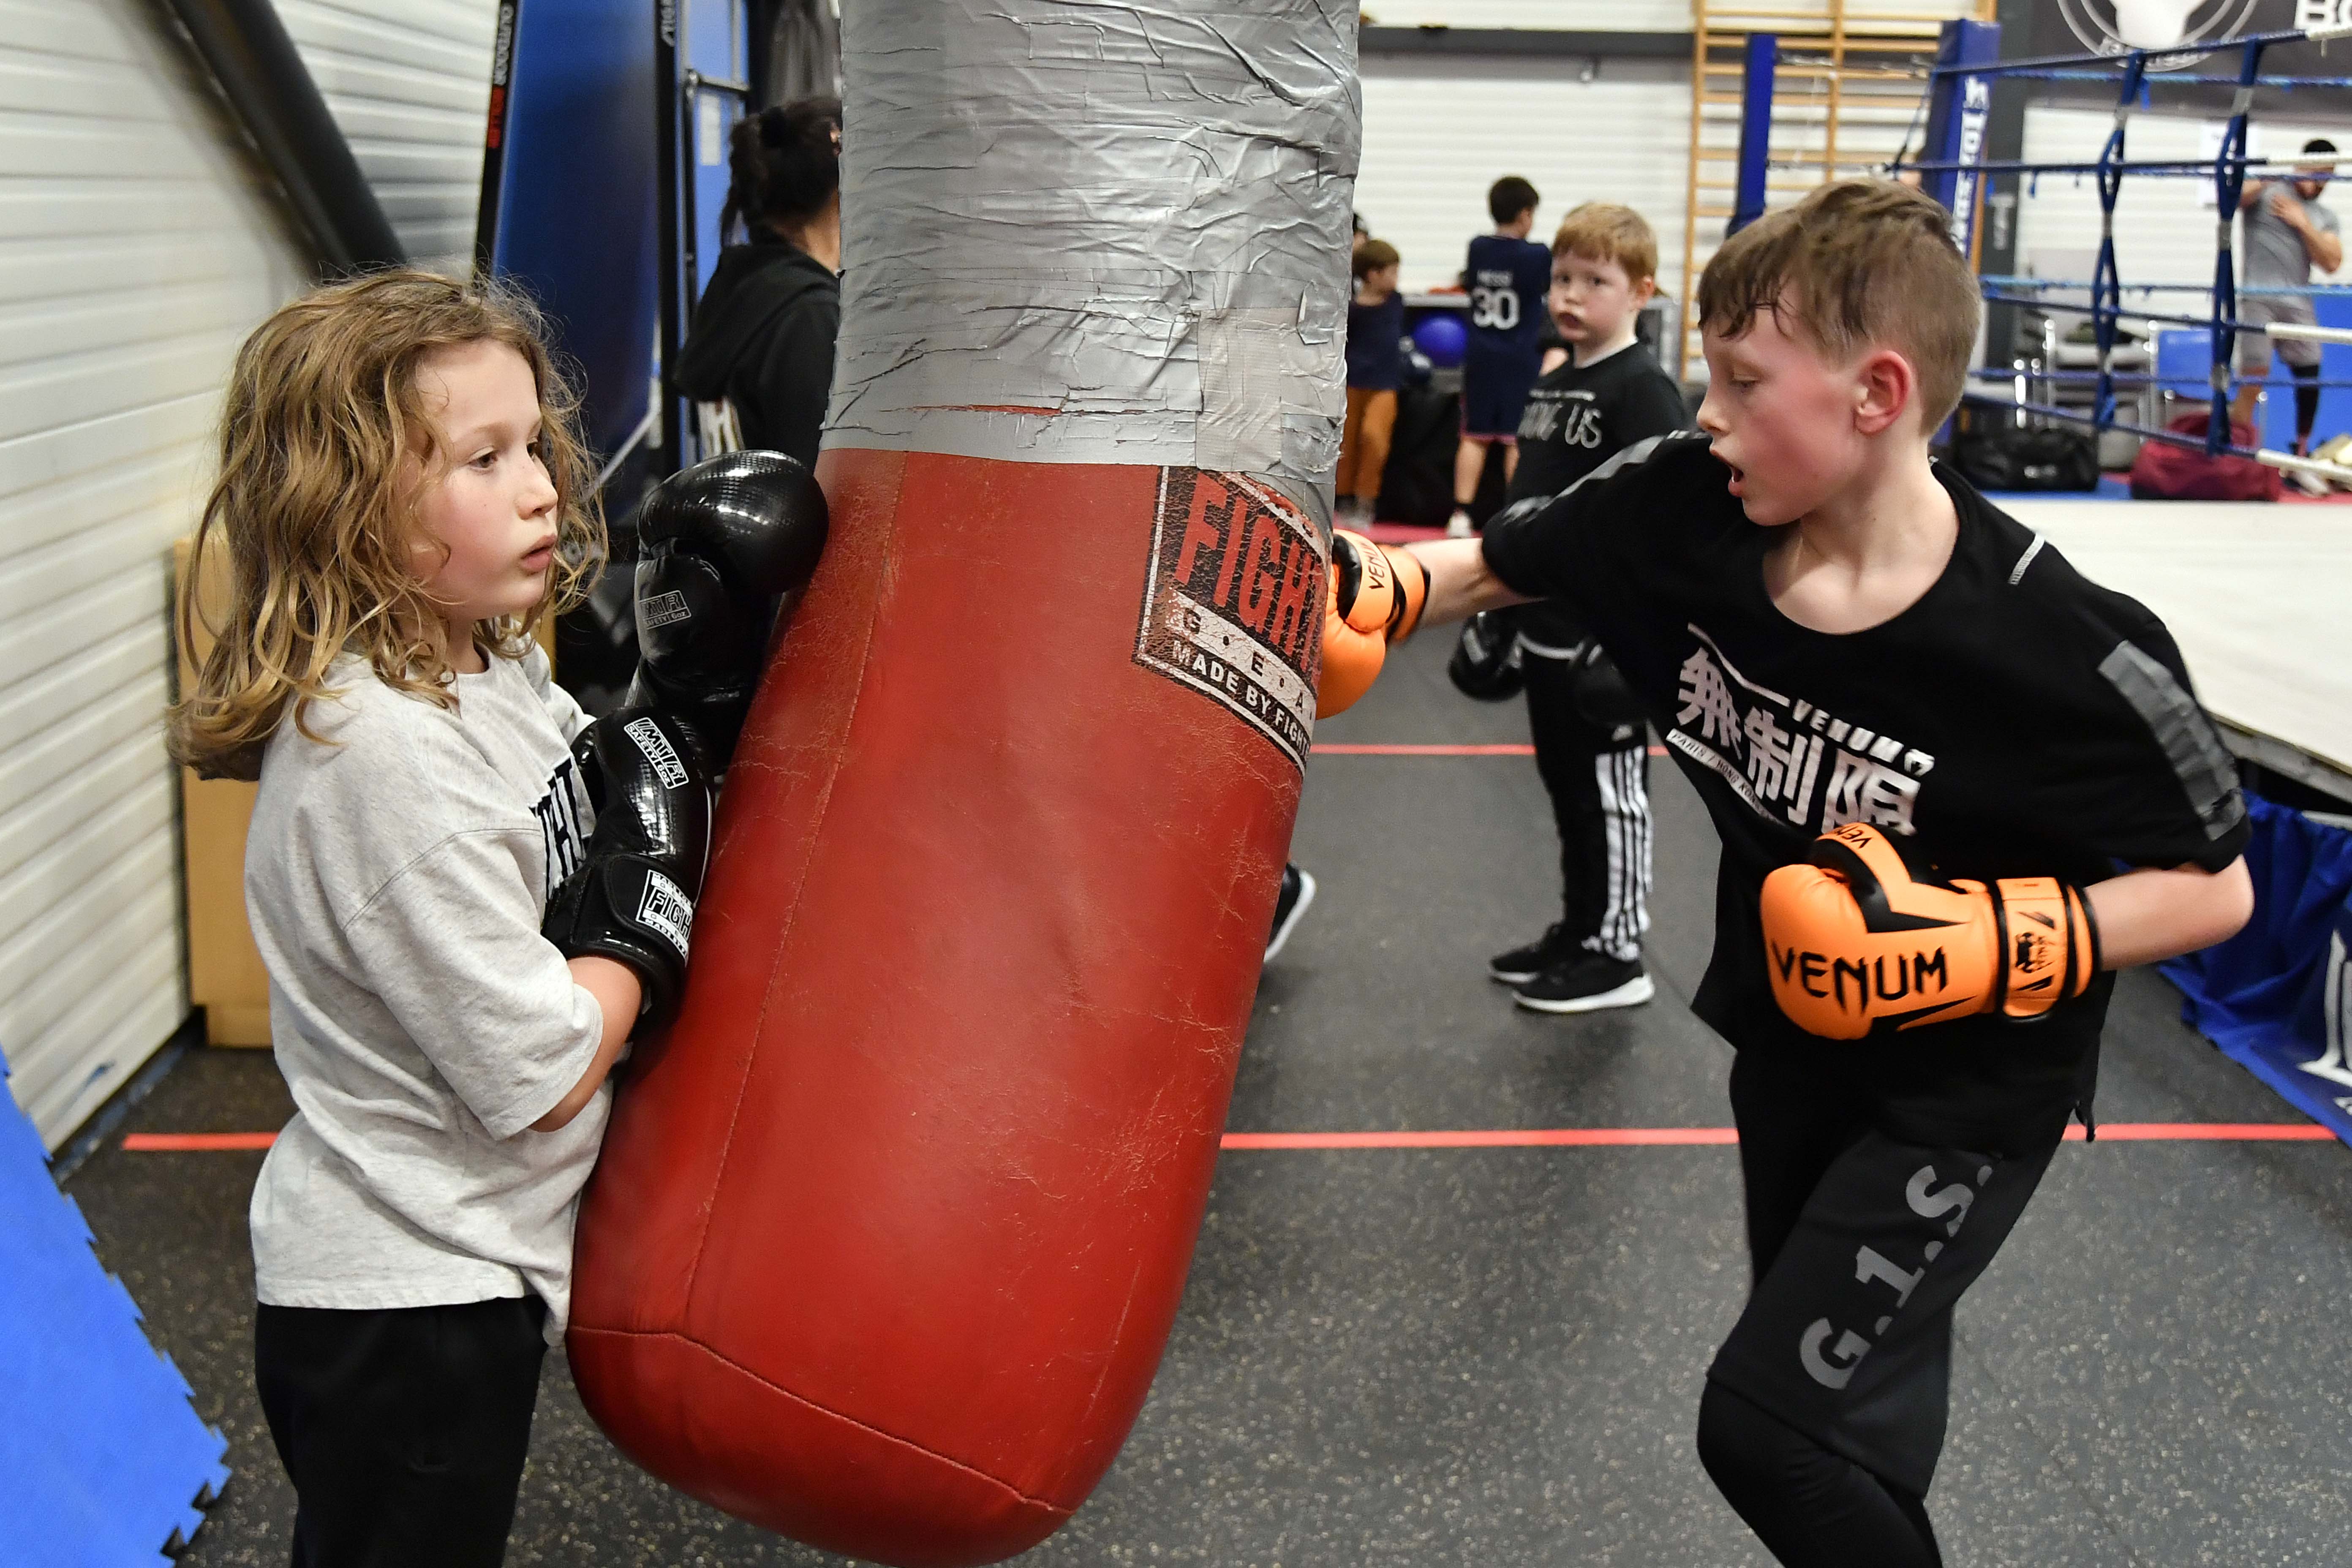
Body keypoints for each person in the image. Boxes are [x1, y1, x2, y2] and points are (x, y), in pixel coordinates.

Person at [1331, 180, 2254, 1565]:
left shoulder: (2056, 644)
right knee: (1846, 1422)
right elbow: (1502, 562)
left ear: (1875, 393)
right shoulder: (1683, 506)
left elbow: (2215, 885)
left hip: (1965, 1087)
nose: (1706, 412)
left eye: (1744, 380)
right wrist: (1377, 591)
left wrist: (1982, 940)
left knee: (1762, 1426)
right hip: (1790, 1037)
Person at [168, 270, 812, 1564]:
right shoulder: (375, 758)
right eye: (482, 458)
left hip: (469, 1261)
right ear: (346, 507)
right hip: (407, 1298)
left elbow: (600, 786)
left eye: (535, 446)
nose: (540, 488)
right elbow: (544, 1071)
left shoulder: (484, 662)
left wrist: (689, 705)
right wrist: (642, 926)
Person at [1486, 203, 1688, 1015]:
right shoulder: (1556, 379)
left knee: (1608, 794)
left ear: (1639, 291)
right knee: (1565, 790)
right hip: (1542, 625)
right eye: (1562, 278)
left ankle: (1617, 951)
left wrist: (1636, 633)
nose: (1570, 295)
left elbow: (1670, 517)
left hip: (1597, 639)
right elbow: (1526, 500)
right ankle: (1577, 929)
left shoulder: (1640, 388)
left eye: (1593, 281)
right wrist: (1494, 609)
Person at [676, 95, 844, 468]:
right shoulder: (808, 317)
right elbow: (823, 484)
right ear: (840, 195)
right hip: (790, 523)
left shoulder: (745, 289)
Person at [1448, 176, 1552, 537]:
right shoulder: (1537, 255)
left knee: (1474, 435)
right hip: (1520, 358)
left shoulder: (1478, 247)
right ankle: (1514, 513)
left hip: (1481, 356)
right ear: (1525, 214)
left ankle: (1460, 515)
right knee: (1514, 439)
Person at [2232, 137, 2342, 463]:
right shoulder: (2266, 192)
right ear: (2301, 165)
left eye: (2327, 176)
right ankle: (2236, 454)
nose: (2319, 181)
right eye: (2316, 172)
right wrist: (2272, 174)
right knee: (2254, 378)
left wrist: (2303, 223)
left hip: (2298, 301)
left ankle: (2302, 455)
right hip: (2259, 298)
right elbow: (2231, 199)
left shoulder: (2323, 216)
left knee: (2310, 377)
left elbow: (2333, 262)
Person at [1339, 238, 1405, 524]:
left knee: (1373, 438)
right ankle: (1342, 499)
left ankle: (1367, 500)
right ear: (1373, 275)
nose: (1396, 278)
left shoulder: (1395, 303)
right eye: (1392, 272)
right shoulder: (1351, 309)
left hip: (1384, 385)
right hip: (1352, 383)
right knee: (1346, 442)